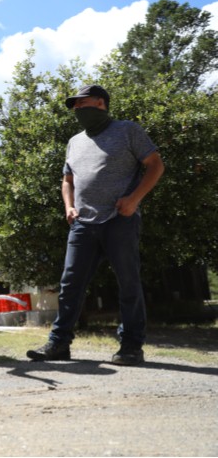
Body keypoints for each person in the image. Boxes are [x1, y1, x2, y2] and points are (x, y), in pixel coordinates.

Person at [26, 84, 164, 366]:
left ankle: (131, 347)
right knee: (70, 284)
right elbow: (68, 180)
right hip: (83, 223)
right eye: (74, 106)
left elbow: (155, 164)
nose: (77, 110)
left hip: (119, 220)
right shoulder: (75, 141)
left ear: (100, 103)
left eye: (81, 103)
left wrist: (134, 199)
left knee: (128, 283)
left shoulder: (128, 130)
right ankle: (59, 343)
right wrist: (69, 206)